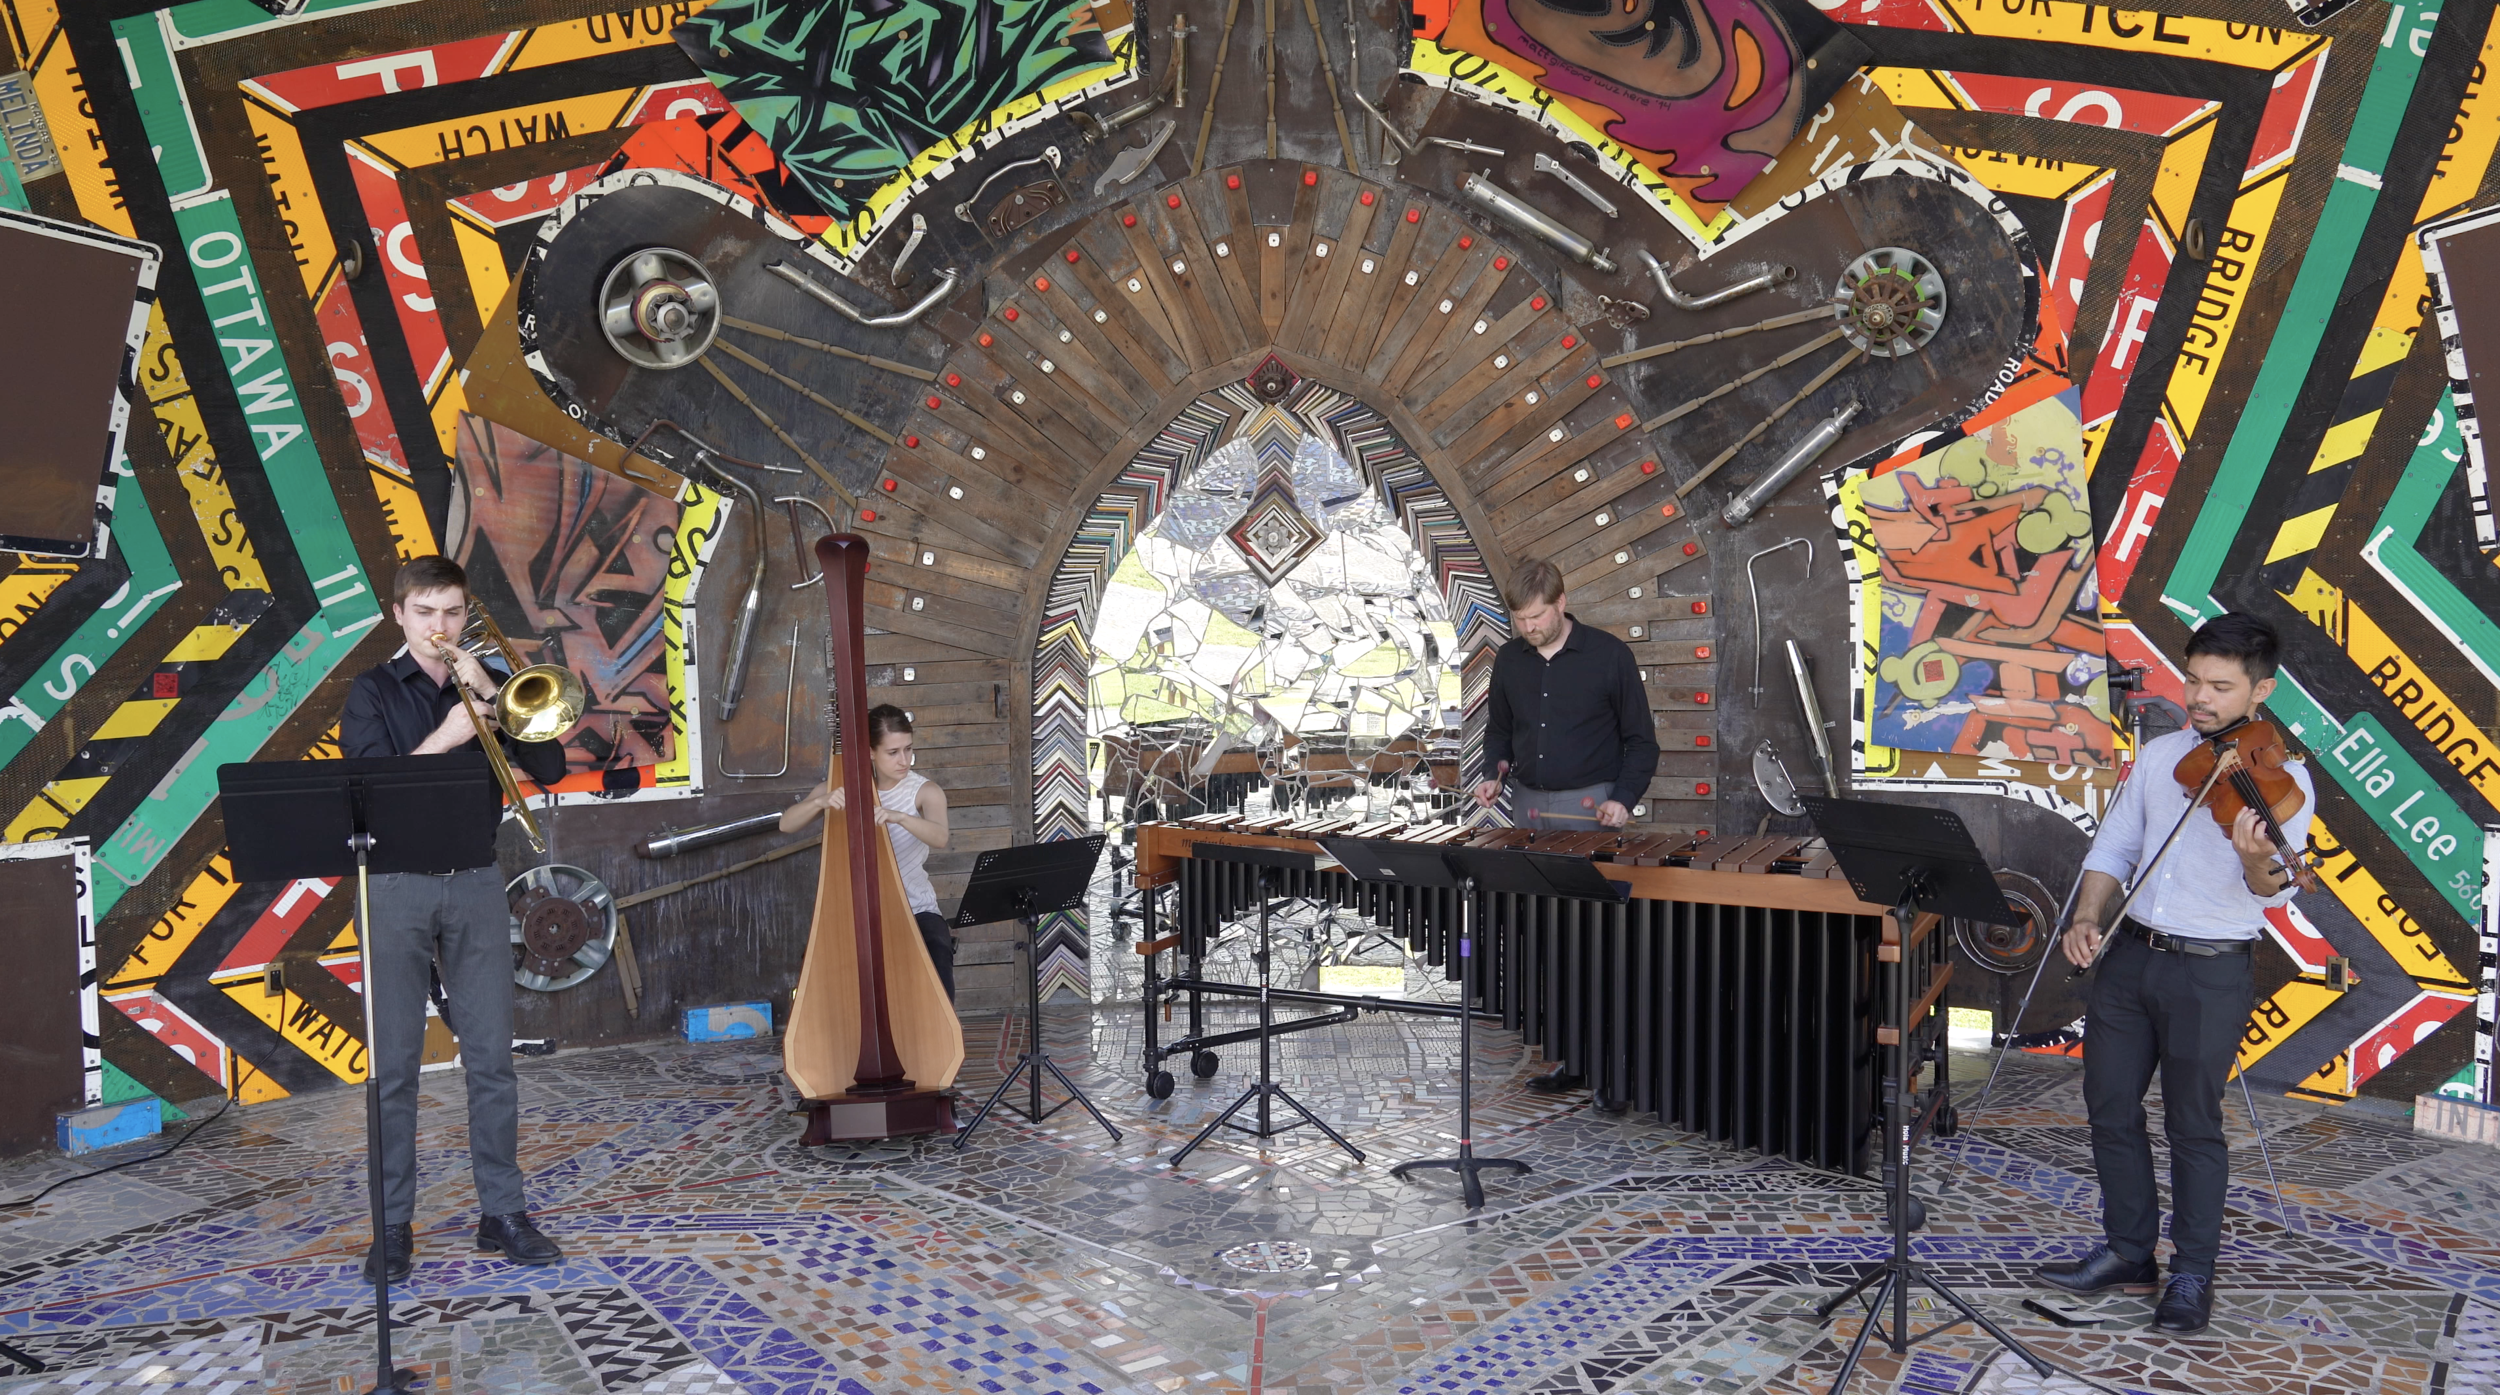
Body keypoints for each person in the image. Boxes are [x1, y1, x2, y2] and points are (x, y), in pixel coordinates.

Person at [2033, 613, 2312, 1335]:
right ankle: (2129, 1249)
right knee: (2108, 1107)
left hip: (2210, 969)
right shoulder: (2161, 756)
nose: (2199, 696)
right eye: (2192, 678)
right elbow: (2117, 845)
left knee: (2193, 1125)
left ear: (2261, 690)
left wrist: (2256, 858)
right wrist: (2089, 915)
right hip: (2131, 956)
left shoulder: (2285, 782)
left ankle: (2191, 1272)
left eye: (2221, 686)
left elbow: (2272, 888)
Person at [339, 556, 568, 1285]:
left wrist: (492, 694)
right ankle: (393, 1225)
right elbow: (373, 787)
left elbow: (553, 765)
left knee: (493, 1061)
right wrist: (453, 730)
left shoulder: (486, 684)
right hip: (396, 887)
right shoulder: (371, 692)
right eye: (427, 612)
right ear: (399, 613)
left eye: (452, 613)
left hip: (473, 880)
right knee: (395, 1070)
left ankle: (502, 1212)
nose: (441, 627)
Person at [1470, 558, 1659, 1102]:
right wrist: (1494, 773)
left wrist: (1623, 800)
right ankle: (1570, 1059)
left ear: (1560, 601)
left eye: (1536, 618)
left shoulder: (1608, 655)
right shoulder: (1509, 660)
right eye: (1521, 621)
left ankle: (1615, 1069)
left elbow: (1641, 741)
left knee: (1600, 941)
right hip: (1528, 810)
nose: (1529, 629)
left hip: (1590, 811)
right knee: (1548, 941)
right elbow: (1501, 733)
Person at [781, 704, 957, 1000]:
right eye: (893, 752)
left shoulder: (925, 791)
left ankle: (939, 1039)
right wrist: (820, 802)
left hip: (914, 908)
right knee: (819, 971)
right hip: (853, 910)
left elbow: (940, 837)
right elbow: (786, 824)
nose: (904, 760)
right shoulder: (841, 786)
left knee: (937, 956)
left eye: (908, 749)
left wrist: (900, 817)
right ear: (871, 752)